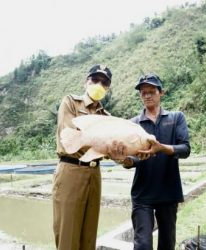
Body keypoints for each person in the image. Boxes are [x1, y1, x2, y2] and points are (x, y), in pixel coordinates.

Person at [53, 64, 125, 250]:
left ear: (108, 88)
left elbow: (115, 151)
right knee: (68, 236)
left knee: (89, 238)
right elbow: (70, 137)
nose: (99, 85)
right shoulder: (70, 102)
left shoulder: (106, 116)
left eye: (104, 82)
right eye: (95, 80)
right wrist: (104, 142)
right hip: (71, 170)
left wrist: (123, 154)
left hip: (94, 174)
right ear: (86, 81)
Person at [122, 73, 191, 250]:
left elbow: (185, 149)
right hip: (142, 194)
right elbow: (134, 158)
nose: (147, 95)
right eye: (143, 92)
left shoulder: (176, 118)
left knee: (167, 244)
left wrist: (162, 148)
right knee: (143, 245)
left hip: (168, 192)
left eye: (152, 91)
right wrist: (126, 161)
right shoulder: (133, 124)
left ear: (161, 92)